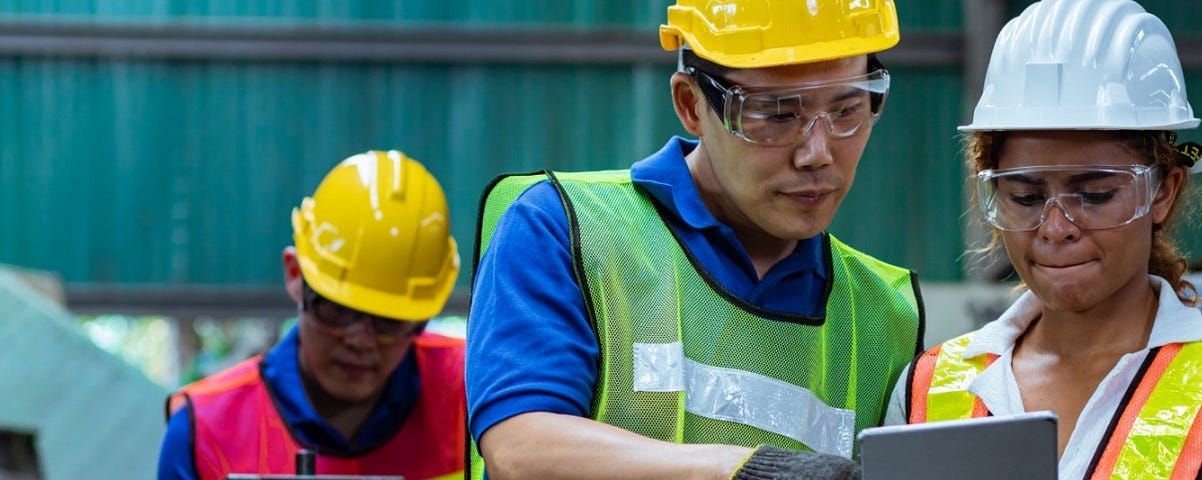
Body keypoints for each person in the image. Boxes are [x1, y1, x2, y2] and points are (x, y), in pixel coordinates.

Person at [465, 1, 923, 478]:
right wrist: (743, 470)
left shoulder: (883, 316)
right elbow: (521, 450)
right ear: (691, 105)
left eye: (848, 110)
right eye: (775, 114)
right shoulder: (568, 230)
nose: (817, 153)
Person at [882, 0, 1202, 478]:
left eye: (1094, 194)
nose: (1056, 226)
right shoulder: (929, 389)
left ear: (1162, 192)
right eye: (1025, 197)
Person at [157, 151, 466, 480]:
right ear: (294, 274)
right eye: (337, 310)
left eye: (389, 320)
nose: (360, 341)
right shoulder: (207, 431)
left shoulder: (475, 392)